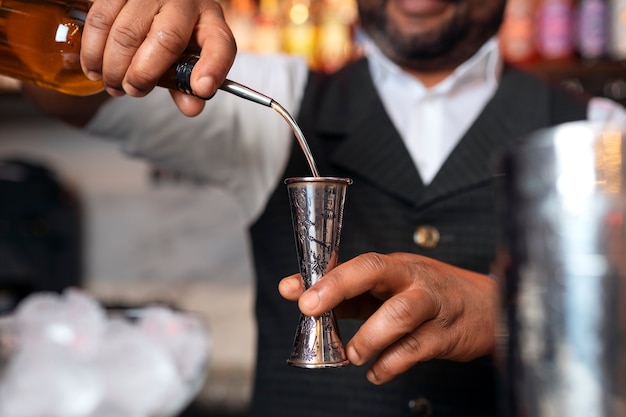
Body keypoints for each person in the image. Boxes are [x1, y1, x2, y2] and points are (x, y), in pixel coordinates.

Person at [21, 0, 626, 416]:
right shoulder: (275, 97)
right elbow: (65, 92)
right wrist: (110, 15)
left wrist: (507, 317)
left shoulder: (602, 135)